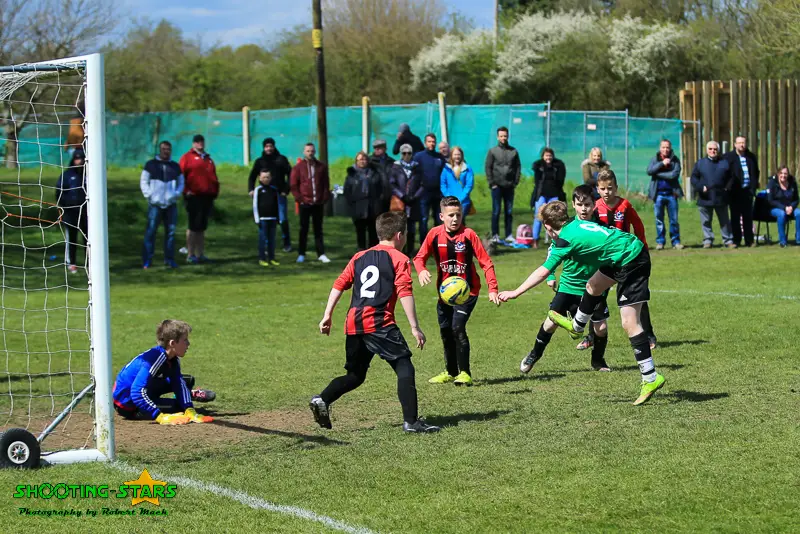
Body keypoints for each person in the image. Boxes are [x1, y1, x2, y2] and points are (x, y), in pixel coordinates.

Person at [499, 201, 666, 406]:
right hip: (620, 254)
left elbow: (543, 271)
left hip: (631, 259)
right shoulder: (576, 224)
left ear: (548, 227)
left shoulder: (565, 240)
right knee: (593, 286)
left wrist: (515, 292)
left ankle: (650, 378)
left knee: (629, 323)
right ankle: (577, 326)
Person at [310, 211, 439, 433]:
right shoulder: (399, 259)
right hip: (379, 322)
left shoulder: (359, 256)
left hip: (354, 323)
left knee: (355, 375)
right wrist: (415, 327)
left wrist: (327, 314)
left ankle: (323, 399)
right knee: (404, 365)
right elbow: (405, 292)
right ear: (399, 235)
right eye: (406, 234)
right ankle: (411, 422)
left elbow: (339, 283)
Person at [519, 186, 612, 374]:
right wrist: (551, 275)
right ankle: (534, 354)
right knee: (550, 323)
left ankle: (598, 360)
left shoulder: (601, 227)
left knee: (600, 328)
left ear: (594, 205)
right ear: (573, 206)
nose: (584, 209)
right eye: (580, 205)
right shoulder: (566, 228)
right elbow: (552, 252)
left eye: (587, 205)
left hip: (594, 286)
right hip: (569, 286)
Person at [414, 197, 500, 386]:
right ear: (441, 216)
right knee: (445, 331)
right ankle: (451, 372)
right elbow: (419, 258)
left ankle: (465, 373)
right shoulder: (434, 234)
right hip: (445, 295)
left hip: (468, 292)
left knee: (457, 328)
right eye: (451, 215)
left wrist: (492, 289)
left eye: (458, 215)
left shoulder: (469, 235)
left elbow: (486, 262)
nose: (455, 219)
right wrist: (421, 270)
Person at [593, 170, 657, 350]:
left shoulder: (625, 205)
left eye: (610, 188)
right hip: (605, 259)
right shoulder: (596, 207)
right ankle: (591, 336)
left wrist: (643, 247)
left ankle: (649, 334)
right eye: (603, 189)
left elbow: (638, 226)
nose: (607, 192)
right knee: (595, 296)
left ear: (616, 187)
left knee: (638, 299)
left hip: (627, 259)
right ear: (598, 189)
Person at [112, 320, 215, 424]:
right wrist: (159, 416)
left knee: (186, 381)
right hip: (128, 404)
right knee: (178, 406)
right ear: (172, 343)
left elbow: (178, 383)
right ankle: (186, 396)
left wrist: (189, 410)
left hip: (147, 389)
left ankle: (188, 395)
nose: (188, 343)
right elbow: (136, 392)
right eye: (185, 340)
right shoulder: (155, 359)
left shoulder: (172, 358)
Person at [141, 141, 183, 270]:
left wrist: (176, 194)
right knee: (151, 232)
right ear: (160, 150)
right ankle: (147, 260)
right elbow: (144, 181)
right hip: (155, 204)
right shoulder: (151, 165)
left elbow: (181, 182)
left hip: (170, 205)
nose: (166, 151)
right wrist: (149, 195)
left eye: (168, 149)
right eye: (164, 149)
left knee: (170, 233)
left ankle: (169, 260)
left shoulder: (175, 166)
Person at [179, 134, 220, 264]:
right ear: (193, 144)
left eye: (201, 141)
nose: (200, 144)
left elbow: (213, 176)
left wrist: (214, 191)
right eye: (197, 142)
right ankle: (190, 254)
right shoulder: (187, 158)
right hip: (193, 196)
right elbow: (180, 176)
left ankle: (200, 254)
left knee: (202, 227)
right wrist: (186, 191)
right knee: (193, 226)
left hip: (206, 196)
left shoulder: (208, 159)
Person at [248, 138, 293, 252]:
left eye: (271, 146)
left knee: (282, 220)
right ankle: (267, 244)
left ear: (274, 147)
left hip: (279, 194)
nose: (269, 148)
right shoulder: (260, 161)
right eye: (267, 146)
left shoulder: (281, 159)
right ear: (264, 148)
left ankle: (287, 243)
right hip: (265, 196)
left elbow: (291, 175)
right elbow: (252, 176)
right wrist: (251, 189)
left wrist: (286, 189)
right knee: (266, 220)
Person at [290, 143, 331, 264]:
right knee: (304, 229)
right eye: (308, 151)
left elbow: (325, 184)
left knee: (318, 229)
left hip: (318, 203)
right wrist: (300, 199)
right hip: (305, 203)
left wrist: (324, 198)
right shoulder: (298, 168)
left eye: (312, 151)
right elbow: (293, 185)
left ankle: (321, 253)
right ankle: (301, 254)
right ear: (304, 152)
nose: (310, 153)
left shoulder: (321, 167)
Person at [691, 141, 735, 249]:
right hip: (705, 197)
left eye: (715, 149)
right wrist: (701, 187)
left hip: (721, 197)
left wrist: (727, 188)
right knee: (706, 221)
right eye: (710, 149)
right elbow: (694, 178)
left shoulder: (724, 163)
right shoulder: (700, 163)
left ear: (718, 150)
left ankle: (728, 240)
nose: (712, 151)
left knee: (724, 221)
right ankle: (708, 240)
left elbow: (731, 177)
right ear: (707, 150)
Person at [485, 126, 521, 243]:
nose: (503, 138)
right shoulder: (493, 151)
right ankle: (495, 235)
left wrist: (515, 182)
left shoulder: (513, 151)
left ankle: (509, 234)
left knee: (509, 212)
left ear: (508, 136)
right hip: (497, 186)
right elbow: (488, 167)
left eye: (505, 136)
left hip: (509, 186)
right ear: (497, 137)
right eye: (501, 136)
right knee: (496, 211)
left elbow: (517, 167)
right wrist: (492, 183)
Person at [646, 139, 683, 250]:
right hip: (658, 195)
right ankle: (660, 242)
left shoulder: (675, 160)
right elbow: (649, 171)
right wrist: (661, 164)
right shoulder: (655, 160)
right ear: (660, 148)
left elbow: (674, 175)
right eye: (663, 147)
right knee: (659, 220)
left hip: (672, 194)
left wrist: (658, 174)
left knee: (674, 220)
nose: (665, 149)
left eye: (667, 147)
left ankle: (676, 241)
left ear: (670, 148)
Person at [55, 148, 87, 275]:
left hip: (86, 213)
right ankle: (71, 263)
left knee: (88, 240)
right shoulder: (67, 175)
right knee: (71, 239)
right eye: (77, 158)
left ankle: (89, 263)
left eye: (82, 158)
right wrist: (65, 207)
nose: (79, 161)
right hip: (71, 213)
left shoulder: (89, 174)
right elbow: (59, 192)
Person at [724, 136, 760, 247]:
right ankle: (737, 240)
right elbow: (725, 173)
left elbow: (756, 172)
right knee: (735, 217)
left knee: (748, 217)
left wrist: (753, 187)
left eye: (743, 143)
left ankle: (749, 240)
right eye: (739, 143)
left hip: (747, 191)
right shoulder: (728, 157)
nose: (742, 145)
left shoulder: (751, 157)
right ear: (734, 144)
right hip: (734, 192)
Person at [390, 143, 425, 256]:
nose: (406, 155)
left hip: (413, 202)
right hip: (401, 201)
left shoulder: (417, 167)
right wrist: (402, 196)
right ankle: (399, 250)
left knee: (412, 227)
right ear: (401, 154)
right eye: (404, 153)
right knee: (399, 227)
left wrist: (415, 196)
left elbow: (423, 184)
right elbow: (392, 184)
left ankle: (410, 250)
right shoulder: (396, 167)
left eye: (409, 153)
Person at [344, 151, 383, 251]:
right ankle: (361, 251)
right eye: (360, 159)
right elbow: (347, 191)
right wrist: (352, 204)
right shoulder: (351, 174)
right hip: (358, 207)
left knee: (373, 232)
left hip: (372, 207)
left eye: (364, 159)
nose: (362, 161)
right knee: (360, 231)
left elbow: (380, 189)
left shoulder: (374, 173)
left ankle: (373, 252)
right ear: (356, 161)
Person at [531, 147, 566, 248]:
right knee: (538, 217)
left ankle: (557, 239)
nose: (548, 158)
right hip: (542, 194)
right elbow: (537, 182)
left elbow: (561, 180)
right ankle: (535, 239)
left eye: (550, 155)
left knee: (555, 217)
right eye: (546, 155)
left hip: (554, 194)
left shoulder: (558, 166)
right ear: (543, 156)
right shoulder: (539, 167)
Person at [413, 133, 447, 239]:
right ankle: (424, 244)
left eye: (433, 142)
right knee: (423, 219)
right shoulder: (418, 157)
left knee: (438, 219)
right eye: (429, 141)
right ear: (425, 143)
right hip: (424, 193)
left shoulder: (440, 157)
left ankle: (438, 242)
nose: (431, 144)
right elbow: (414, 175)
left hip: (438, 193)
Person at [766, 166, 800, 247]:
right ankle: (783, 241)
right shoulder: (772, 183)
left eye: (785, 173)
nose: (783, 175)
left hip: (790, 208)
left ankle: (798, 239)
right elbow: (770, 201)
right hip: (775, 208)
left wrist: (791, 207)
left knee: (799, 213)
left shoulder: (793, 183)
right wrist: (784, 208)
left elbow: (796, 199)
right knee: (781, 214)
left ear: (788, 175)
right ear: (778, 174)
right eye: (781, 173)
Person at [439, 146, 474, 225]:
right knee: (448, 223)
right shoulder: (446, 168)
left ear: (462, 155)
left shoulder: (467, 168)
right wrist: (449, 198)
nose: (457, 156)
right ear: (451, 155)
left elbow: (469, 185)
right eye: (455, 154)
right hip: (448, 202)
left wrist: (460, 198)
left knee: (460, 222)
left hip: (463, 202)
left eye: (459, 154)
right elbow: (443, 184)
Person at [253, 170, 280, 266]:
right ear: (260, 178)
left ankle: (272, 257)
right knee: (263, 239)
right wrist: (257, 218)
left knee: (272, 239)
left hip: (272, 219)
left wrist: (278, 218)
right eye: (264, 177)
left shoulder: (274, 190)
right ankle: (262, 258)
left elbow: (277, 204)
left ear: (271, 178)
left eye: (268, 177)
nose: (266, 179)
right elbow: (255, 205)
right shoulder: (258, 190)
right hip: (262, 219)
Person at [369, 139, 395, 213]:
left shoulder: (392, 162)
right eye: (375, 147)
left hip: (389, 196)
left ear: (385, 148)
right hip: (375, 197)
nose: (376, 149)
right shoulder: (369, 162)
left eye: (379, 147)